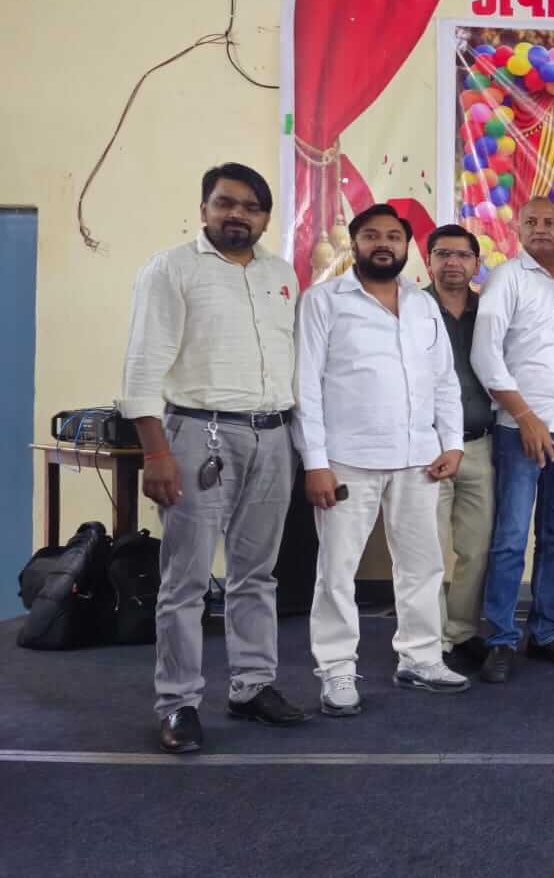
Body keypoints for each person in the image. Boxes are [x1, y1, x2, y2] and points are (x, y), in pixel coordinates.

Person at [121, 162, 308, 753]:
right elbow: (142, 366)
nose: (237, 215)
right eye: (225, 203)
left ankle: (252, 686)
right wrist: (156, 451)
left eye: (251, 207)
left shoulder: (281, 274)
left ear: (266, 218)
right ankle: (178, 703)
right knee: (187, 579)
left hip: (272, 436)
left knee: (257, 574)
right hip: (198, 435)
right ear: (204, 209)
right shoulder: (171, 269)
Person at [296, 204, 470, 716]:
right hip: (346, 459)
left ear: (407, 246)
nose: (383, 244)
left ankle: (420, 658)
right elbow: (305, 386)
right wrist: (315, 462)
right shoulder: (323, 301)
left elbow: (444, 380)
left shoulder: (421, 304)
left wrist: (452, 443)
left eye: (393, 236)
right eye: (371, 235)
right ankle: (336, 669)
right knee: (337, 570)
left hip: (419, 459)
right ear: (354, 244)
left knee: (422, 565)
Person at [471, 197, 554, 683]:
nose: (541, 229)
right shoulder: (505, 279)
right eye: (531, 222)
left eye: (550, 223)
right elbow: (485, 356)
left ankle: (545, 632)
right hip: (519, 429)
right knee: (510, 538)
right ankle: (501, 638)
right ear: (518, 230)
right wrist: (525, 416)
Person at [422, 225, 497, 674]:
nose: (452, 262)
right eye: (442, 254)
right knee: (426, 551)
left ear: (476, 263)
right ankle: (429, 639)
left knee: (477, 549)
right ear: (428, 261)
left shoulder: (489, 312)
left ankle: (462, 631)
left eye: (462, 255)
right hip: (426, 449)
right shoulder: (411, 309)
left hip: (479, 446)